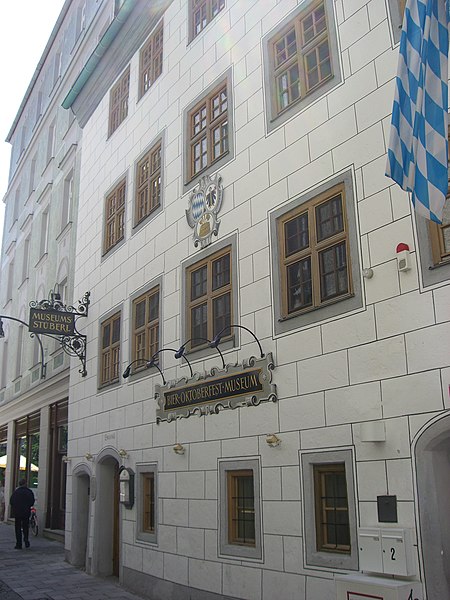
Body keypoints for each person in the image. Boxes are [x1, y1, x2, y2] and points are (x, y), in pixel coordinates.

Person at [10, 479, 35, 549]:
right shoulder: (29, 492)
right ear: (25, 484)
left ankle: (19, 543)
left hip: (17, 512)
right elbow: (32, 502)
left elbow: (11, 501)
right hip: (26, 512)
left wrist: (15, 508)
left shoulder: (16, 492)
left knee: (17, 528)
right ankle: (26, 540)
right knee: (25, 527)